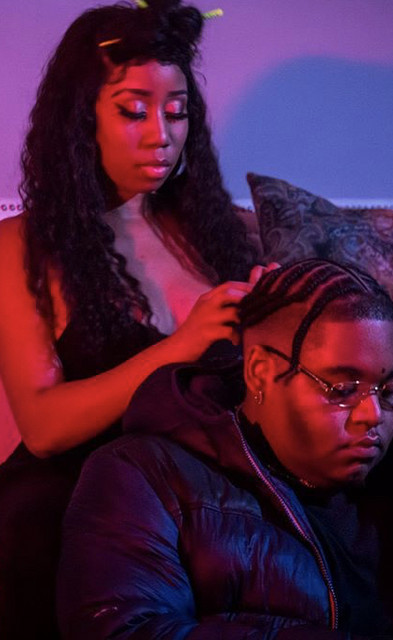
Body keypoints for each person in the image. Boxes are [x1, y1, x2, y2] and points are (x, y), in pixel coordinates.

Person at [57, 259, 393, 640]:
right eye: (342, 389)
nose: (373, 414)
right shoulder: (143, 477)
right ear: (260, 373)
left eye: (389, 390)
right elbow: (123, 628)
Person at [0, 1, 268, 637]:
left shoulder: (221, 236)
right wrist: (184, 345)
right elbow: (43, 427)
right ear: (82, 118)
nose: (160, 135)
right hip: (74, 495)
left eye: (176, 112)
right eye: (132, 111)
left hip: (204, 493)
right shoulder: (21, 246)